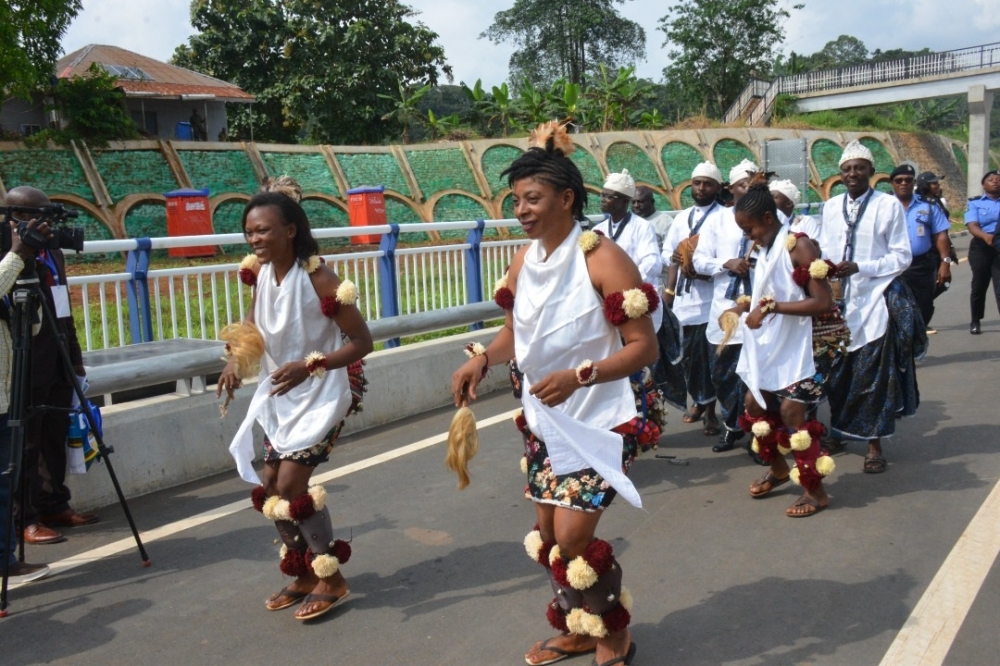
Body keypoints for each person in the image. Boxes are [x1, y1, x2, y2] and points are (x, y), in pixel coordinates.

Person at [452, 121, 656, 666]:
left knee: (570, 537)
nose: (521, 209)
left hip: (602, 416)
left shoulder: (602, 258)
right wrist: (481, 359)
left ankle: (612, 632)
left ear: (567, 199)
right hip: (545, 419)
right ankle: (576, 623)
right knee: (545, 534)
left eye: (533, 198)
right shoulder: (525, 260)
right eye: (516, 199)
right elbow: (514, 333)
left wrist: (580, 376)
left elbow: (644, 347)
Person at [219, 188, 373, 621]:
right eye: (249, 232)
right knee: (270, 484)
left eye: (263, 230)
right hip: (281, 397)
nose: (255, 240)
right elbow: (252, 327)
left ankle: (331, 577)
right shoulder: (261, 274)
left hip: (324, 393)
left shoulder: (320, 279)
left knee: (290, 484)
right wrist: (234, 361)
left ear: (290, 230)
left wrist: (311, 367)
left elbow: (364, 342)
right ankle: (303, 572)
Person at [729, 177, 850, 516]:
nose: (746, 235)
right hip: (777, 343)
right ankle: (780, 470)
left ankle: (815, 491)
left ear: (768, 219)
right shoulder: (765, 246)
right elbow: (772, 291)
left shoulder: (799, 246)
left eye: (748, 228)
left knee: (791, 412)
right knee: (754, 404)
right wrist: (742, 306)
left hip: (812, 344)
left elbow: (823, 302)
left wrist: (769, 309)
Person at [819, 141, 925, 474]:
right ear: (840, 174)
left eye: (860, 167)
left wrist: (861, 267)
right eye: (847, 169)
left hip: (875, 301)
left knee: (872, 378)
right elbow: (824, 251)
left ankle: (874, 445)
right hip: (837, 305)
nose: (853, 173)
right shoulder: (831, 206)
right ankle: (839, 432)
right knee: (837, 377)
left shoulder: (888, 205)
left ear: (871, 172)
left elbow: (901, 256)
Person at [2, 187, 93, 547]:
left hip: (56, 354)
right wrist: (19, 252)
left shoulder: (51, 249)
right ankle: (24, 518)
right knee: (25, 440)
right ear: (16, 217)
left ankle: (54, 502)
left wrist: (75, 360)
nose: (48, 222)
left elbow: (63, 309)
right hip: (22, 358)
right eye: (39, 214)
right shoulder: (8, 251)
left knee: (55, 431)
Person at [0, 210, 52, 584]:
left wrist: (27, 282)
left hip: (4, 395)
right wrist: (17, 255)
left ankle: (7, 560)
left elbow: (27, 329)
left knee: (5, 480)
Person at [661, 163, 727, 436]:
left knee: (705, 360)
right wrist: (675, 258)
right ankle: (700, 402)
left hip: (710, 299)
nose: (701, 188)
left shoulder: (725, 217)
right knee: (687, 359)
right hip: (684, 302)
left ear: (718, 187)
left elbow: (727, 255)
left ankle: (711, 412)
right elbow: (666, 252)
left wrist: (703, 267)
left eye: (707, 183)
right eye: (697, 183)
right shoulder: (682, 217)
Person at [692, 178, 751, 452]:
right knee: (724, 375)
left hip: (756, 311)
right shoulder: (717, 220)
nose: (748, 189)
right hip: (723, 310)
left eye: (753, 185)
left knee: (753, 377)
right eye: (742, 184)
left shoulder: (768, 218)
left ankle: (759, 435)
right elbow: (699, 261)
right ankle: (732, 426)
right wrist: (726, 262)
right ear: (731, 189)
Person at [593, 170, 663, 332]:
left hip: (634, 298)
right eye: (603, 195)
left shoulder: (642, 226)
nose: (603, 200)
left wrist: (626, 284)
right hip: (607, 300)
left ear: (625, 201)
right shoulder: (598, 230)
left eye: (609, 197)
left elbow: (652, 262)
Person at [891, 164, 952, 329]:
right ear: (892, 184)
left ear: (914, 183)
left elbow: (941, 235)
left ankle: (915, 341)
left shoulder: (929, 206)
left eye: (908, 180)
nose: (904, 183)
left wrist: (945, 263)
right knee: (894, 310)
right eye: (899, 180)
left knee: (925, 307)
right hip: (893, 266)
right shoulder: (884, 206)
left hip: (921, 266)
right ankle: (904, 349)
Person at [964, 169, 1000, 335]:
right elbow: (972, 225)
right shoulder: (975, 203)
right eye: (991, 179)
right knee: (979, 286)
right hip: (981, 247)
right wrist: (986, 237)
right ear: (983, 185)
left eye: (998, 179)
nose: (995, 181)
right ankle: (975, 320)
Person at [631, 185, 674, 250]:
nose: (636, 205)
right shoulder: (630, 221)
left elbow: (670, 250)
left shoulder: (665, 221)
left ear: (652, 202)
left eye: (640, 202)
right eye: (633, 202)